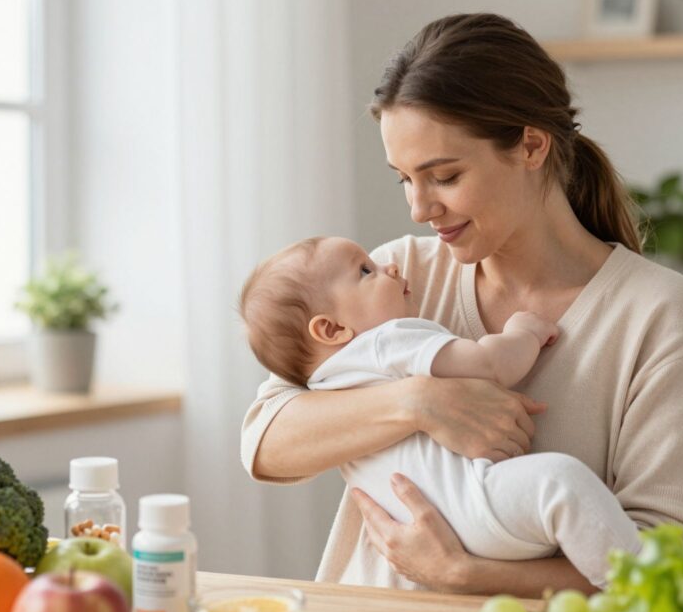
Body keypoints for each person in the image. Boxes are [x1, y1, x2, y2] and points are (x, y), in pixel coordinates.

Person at [241, 13, 683, 596]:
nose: (419, 208)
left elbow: (664, 553)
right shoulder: (398, 277)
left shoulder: (657, 312)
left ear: (531, 146)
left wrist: (465, 575)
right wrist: (420, 402)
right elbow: (266, 443)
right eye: (404, 179)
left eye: (443, 176)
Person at [238, 235, 643, 588]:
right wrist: (523, 333)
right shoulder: (385, 340)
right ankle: (636, 582)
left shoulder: (323, 382)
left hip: (429, 528)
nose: (390, 266)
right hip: (474, 507)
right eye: (366, 270)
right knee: (562, 482)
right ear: (331, 329)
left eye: (447, 178)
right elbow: (489, 365)